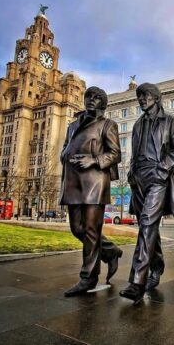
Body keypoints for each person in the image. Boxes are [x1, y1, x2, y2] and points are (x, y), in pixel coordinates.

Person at [119, 83, 174, 303]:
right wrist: (130, 173)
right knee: (148, 227)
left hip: (158, 177)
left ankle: (137, 282)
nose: (141, 99)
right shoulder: (138, 124)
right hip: (138, 178)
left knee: (147, 223)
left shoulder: (170, 122)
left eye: (145, 96)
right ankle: (157, 265)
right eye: (139, 96)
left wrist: (162, 168)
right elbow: (134, 151)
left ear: (156, 97)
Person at [60, 86, 123, 297]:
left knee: (90, 230)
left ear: (103, 104)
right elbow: (65, 147)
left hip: (95, 181)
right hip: (73, 181)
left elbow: (115, 154)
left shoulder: (107, 125)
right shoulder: (73, 125)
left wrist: (93, 160)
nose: (91, 100)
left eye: (97, 98)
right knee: (77, 229)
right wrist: (65, 156)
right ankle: (111, 251)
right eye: (88, 97)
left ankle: (88, 277)